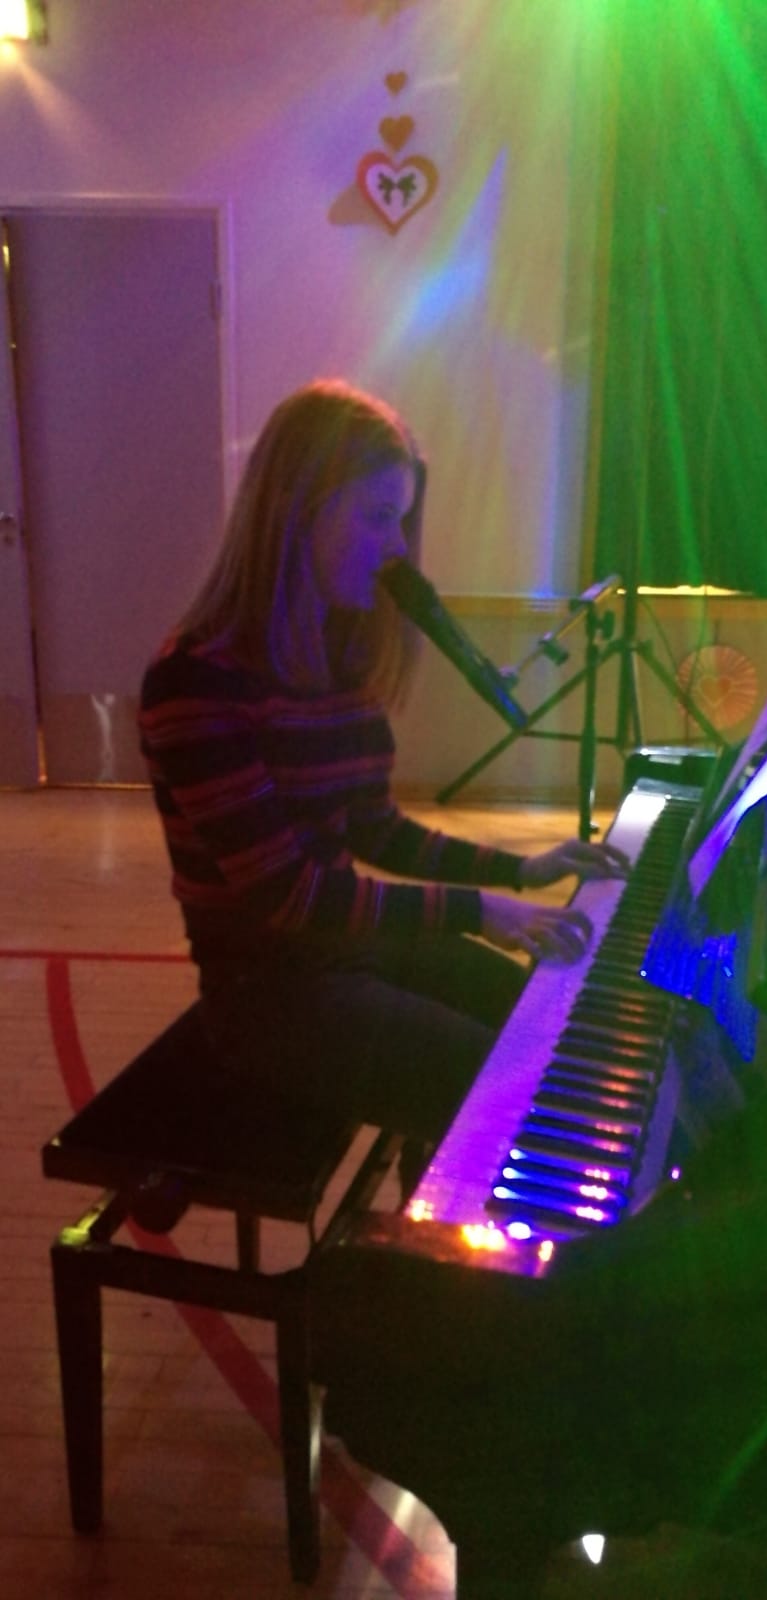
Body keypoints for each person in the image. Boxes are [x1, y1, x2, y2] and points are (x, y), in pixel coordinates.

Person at [138, 379, 627, 1188]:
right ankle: (437, 1246)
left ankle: (441, 1210)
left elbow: (373, 827)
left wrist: (521, 870)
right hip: (267, 998)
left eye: (399, 519)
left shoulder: (337, 660)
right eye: (376, 517)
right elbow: (291, 897)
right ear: (295, 513)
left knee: (531, 1017)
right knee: (506, 1087)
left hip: (341, 954)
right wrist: (483, 911)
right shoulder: (195, 684)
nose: (396, 547)